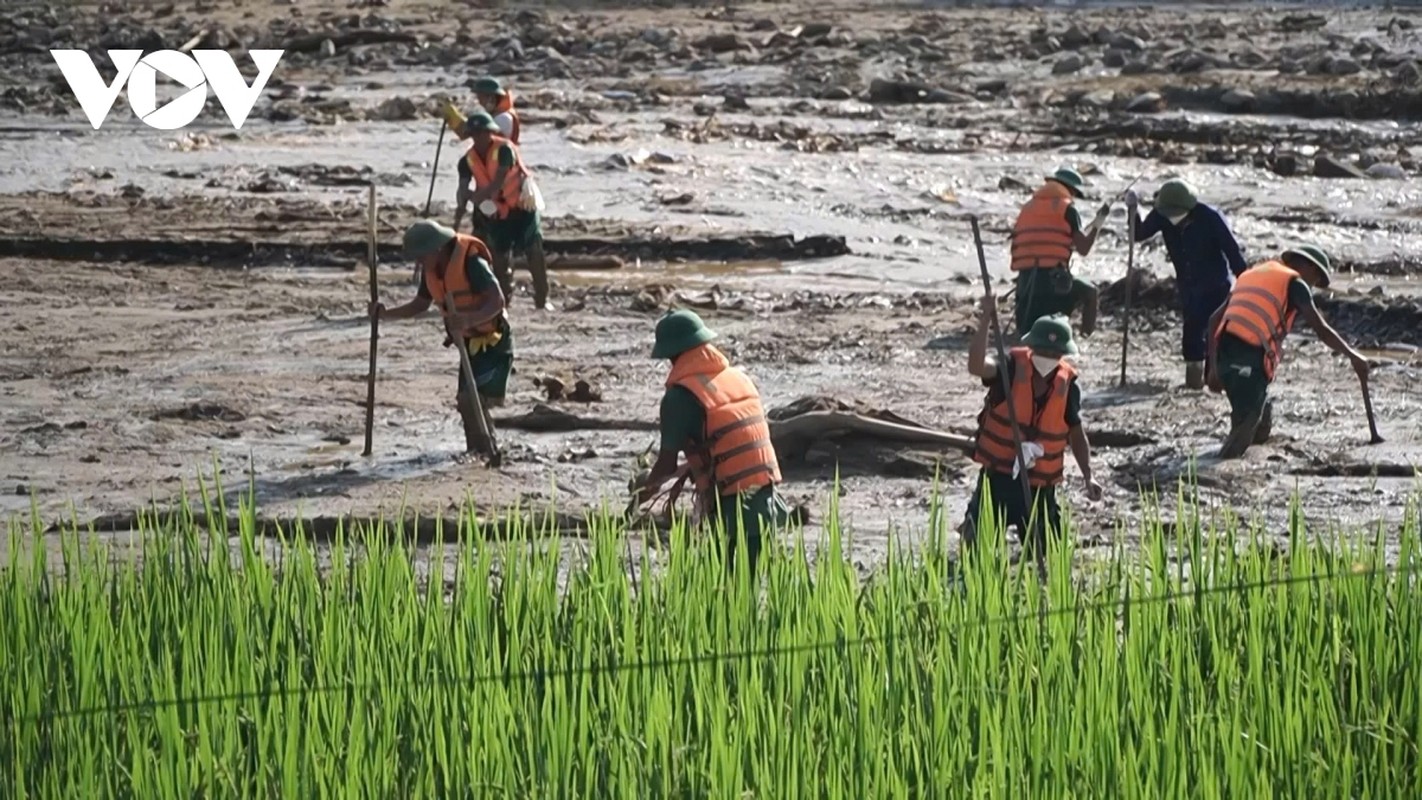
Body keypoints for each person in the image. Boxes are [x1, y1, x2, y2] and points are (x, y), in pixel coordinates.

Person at [629, 309, 791, 573]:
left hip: (731, 509)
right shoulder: (739, 379)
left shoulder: (679, 398)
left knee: (722, 590)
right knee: (748, 590)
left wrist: (639, 497)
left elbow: (666, 466)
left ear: (671, 354)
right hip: (767, 502)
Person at [961, 302, 1104, 560]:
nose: (1047, 356)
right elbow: (976, 366)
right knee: (975, 553)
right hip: (999, 480)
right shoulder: (1010, 368)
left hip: (1039, 487)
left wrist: (1088, 475)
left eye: (1054, 351)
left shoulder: (1067, 385)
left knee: (1048, 555)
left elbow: (1076, 433)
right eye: (1042, 349)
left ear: (1063, 353)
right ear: (1031, 346)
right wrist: (985, 321)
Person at [1205, 245, 1370, 459]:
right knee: (1244, 428)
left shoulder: (1253, 275)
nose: (1313, 286)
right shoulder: (1295, 283)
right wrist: (1353, 355)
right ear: (1308, 267)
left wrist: (1214, 368)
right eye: (1316, 279)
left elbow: (1213, 321)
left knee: (1261, 421)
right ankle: (1215, 473)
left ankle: (1250, 453)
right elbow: (1321, 329)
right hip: (1248, 359)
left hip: (1225, 356)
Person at [370, 220, 513, 456]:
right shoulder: (433, 271)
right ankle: (478, 453)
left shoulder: (471, 263)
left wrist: (469, 319)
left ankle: (489, 451)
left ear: (436, 249)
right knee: (466, 401)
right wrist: (384, 314)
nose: (419, 263)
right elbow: (419, 305)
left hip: (494, 342)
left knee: (472, 399)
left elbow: (497, 300)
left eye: (421, 257)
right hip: (468, 344)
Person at [1126, 179, 1249, 389]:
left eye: (1176, 214)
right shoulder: (1161, 215)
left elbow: (1232, 252)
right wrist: (1132, 210)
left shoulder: (1210, 218)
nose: (1172, 218)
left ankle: (1211, 383)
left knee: (1211, 335)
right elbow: (1138, 234)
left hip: (1215, 285)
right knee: (1192, 334)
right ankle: (1195, 385)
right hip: (1188, 287)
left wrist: (1246, 284)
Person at [454, 111, 550, 310]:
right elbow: (463, 187)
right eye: (475, 134)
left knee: (534, 251)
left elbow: (498, 182)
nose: (480, 138)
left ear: (491, 132)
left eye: (483, 133)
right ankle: (503, 301)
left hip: (523, 207)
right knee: (499, 255)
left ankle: (542, 299)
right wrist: (463, 201)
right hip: (498, 213)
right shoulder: (467, 161)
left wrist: (477, 197)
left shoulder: (505, 150)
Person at [1009, 166, 1110, 338]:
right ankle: (1086, 336)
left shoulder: (1028, 208)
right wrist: (1098, 223)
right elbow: (1084, 248)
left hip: (1025, 282)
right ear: (1070, 189)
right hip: (1052, 282)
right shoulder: (1067, 209)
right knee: (1090, 293)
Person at [471, 76, 520, 143]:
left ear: (490, 98)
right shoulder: (497, 115)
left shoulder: (503, 118)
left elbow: (486, 142)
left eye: (480, 97)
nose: (479, 102)